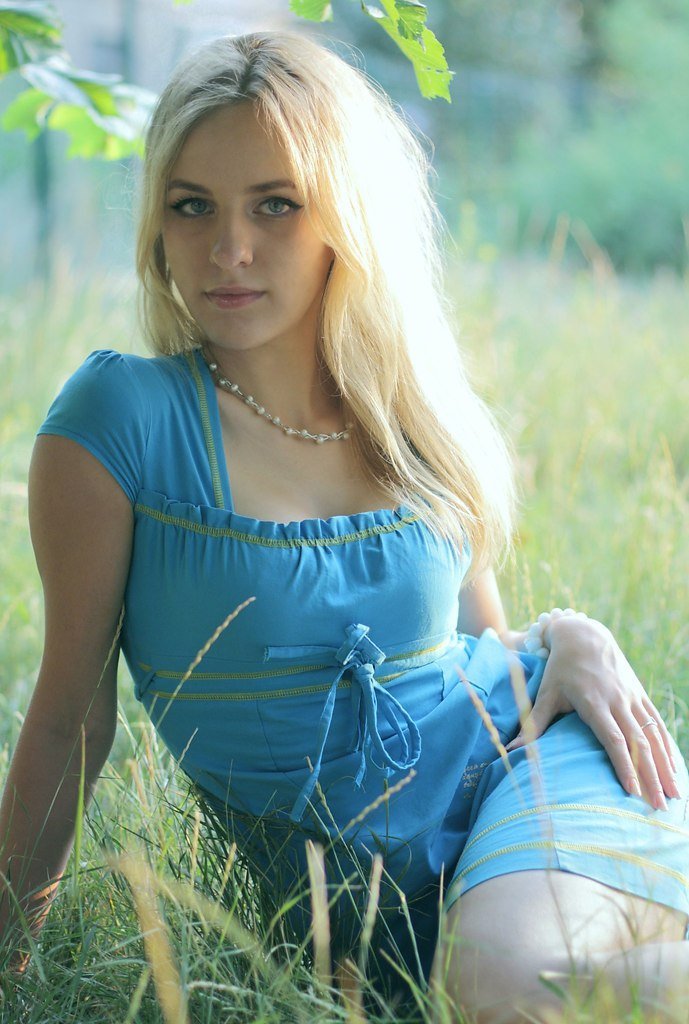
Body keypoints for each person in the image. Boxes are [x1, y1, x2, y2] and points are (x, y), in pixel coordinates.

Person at [1, 30, 687, 1023]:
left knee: (510, 981)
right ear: (156, 225)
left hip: (541, 780)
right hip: (381, 926)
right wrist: (10, 958)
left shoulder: (407, 418)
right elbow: (71, 717)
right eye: (192, 206)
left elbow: (487, 657)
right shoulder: (121, 424)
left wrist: (564, 635)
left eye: (274, 204)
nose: (228, 249)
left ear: (344, 216)